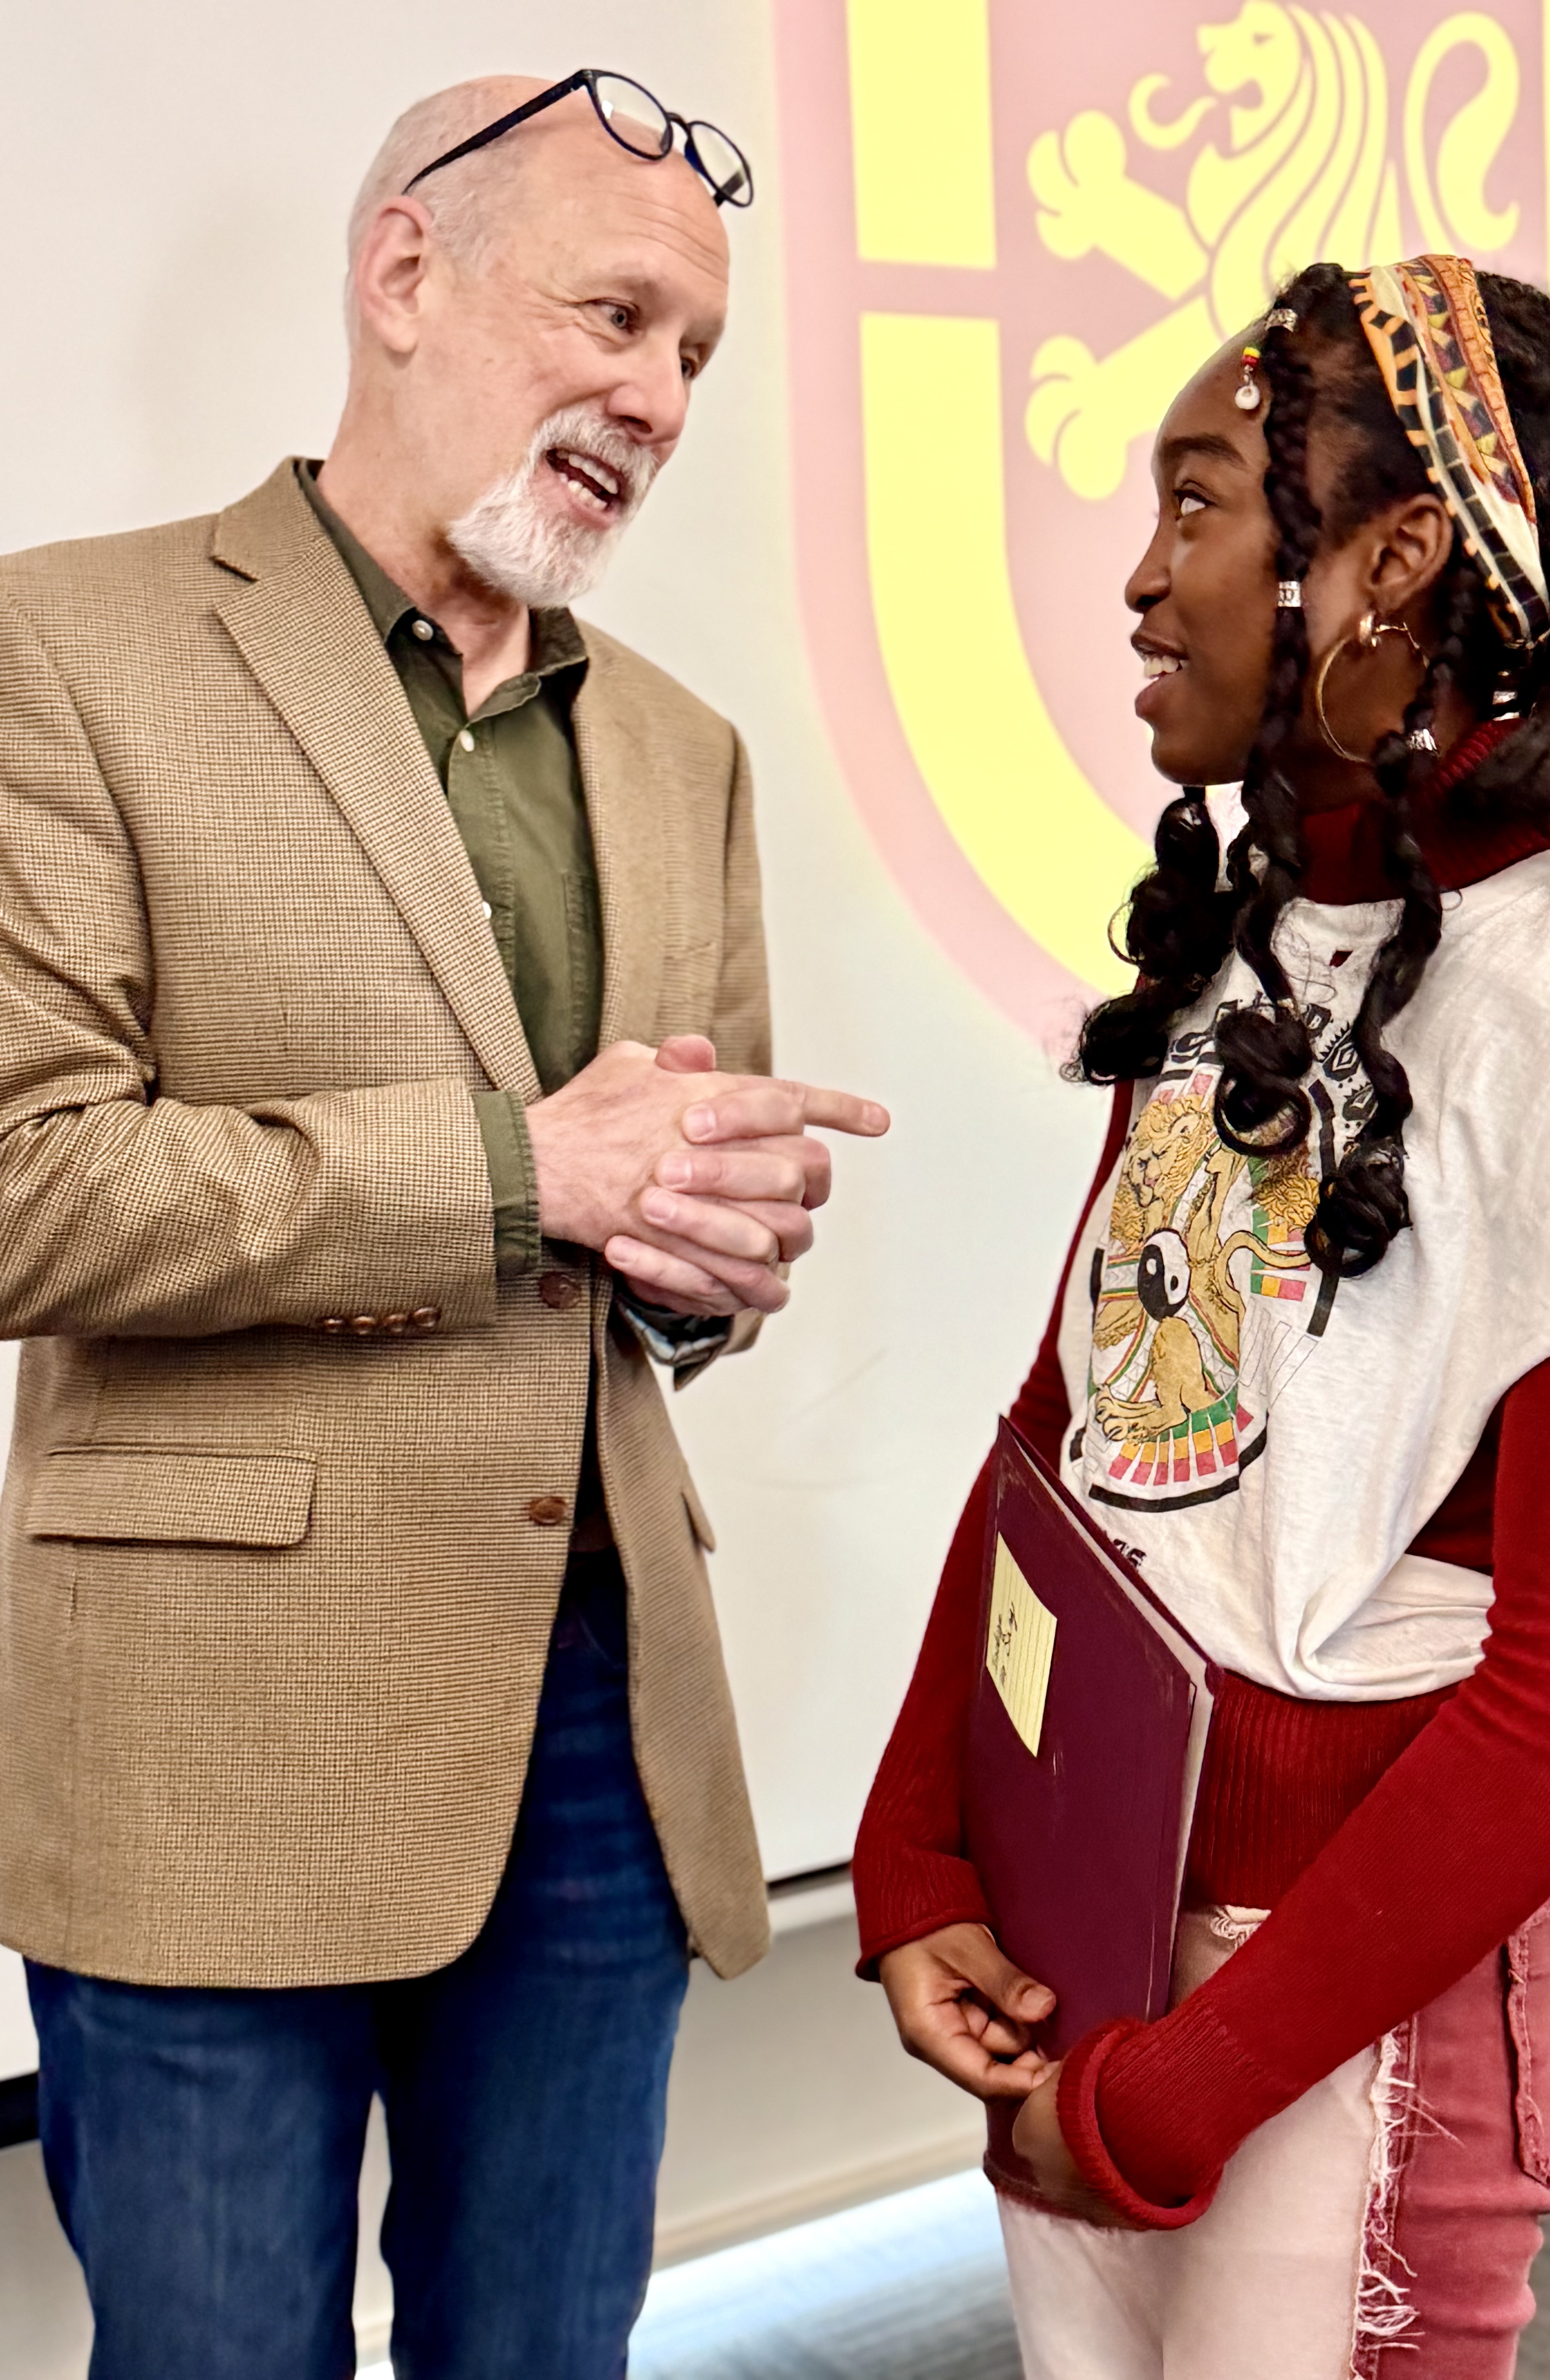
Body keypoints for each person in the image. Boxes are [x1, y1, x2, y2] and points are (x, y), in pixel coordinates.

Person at [0, 70, 887, 2380]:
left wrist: (712, 1268)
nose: (656, 397)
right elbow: (25, 1181)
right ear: (403, 274)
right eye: (612, 313)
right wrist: (529, 1173)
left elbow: (654, 1222)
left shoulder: (682, 750)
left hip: (595, 1731)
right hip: (214, 1751)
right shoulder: (65, 651)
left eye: (692, 351)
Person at [855, 253, 1550, 2377]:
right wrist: (917, 1856)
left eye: (1197, 505)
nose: (1138, 583)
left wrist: (1181, 2093)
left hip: (1342, 2029)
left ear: (1393, 562)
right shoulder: (1258, 935)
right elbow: (1062, 1429)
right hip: (1096, 1937)